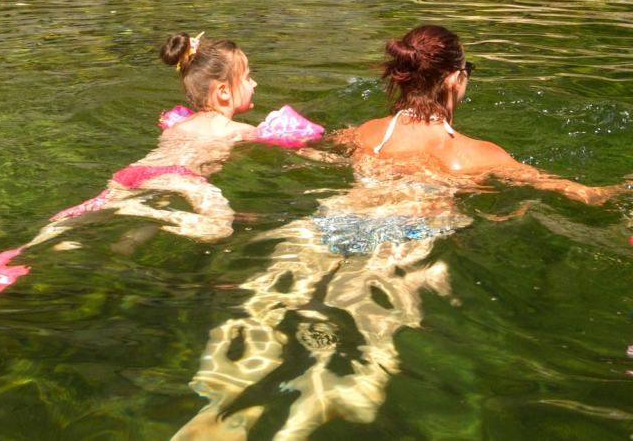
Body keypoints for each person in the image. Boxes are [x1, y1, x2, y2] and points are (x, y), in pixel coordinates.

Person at [172, 24, 627, 441]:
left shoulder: (367, 134)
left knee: (265, 308)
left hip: (334, 219)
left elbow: (311, 147)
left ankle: (213, 408)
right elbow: (582, 194)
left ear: (402, 77)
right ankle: (296, 426)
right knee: (368, 344)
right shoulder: (474, 155)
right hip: (401, 240)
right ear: (454, 80)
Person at [0, 33, 321, 303]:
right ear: (224, 92)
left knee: (78, 216)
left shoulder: (177, 125)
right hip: (183, 179)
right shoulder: (240, 131)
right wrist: (328, 156)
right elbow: (296, 149)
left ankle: (11, 261)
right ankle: (141, 214)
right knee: (216, 228)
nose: (255, 83)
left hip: (132, 174)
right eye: (249, 76)